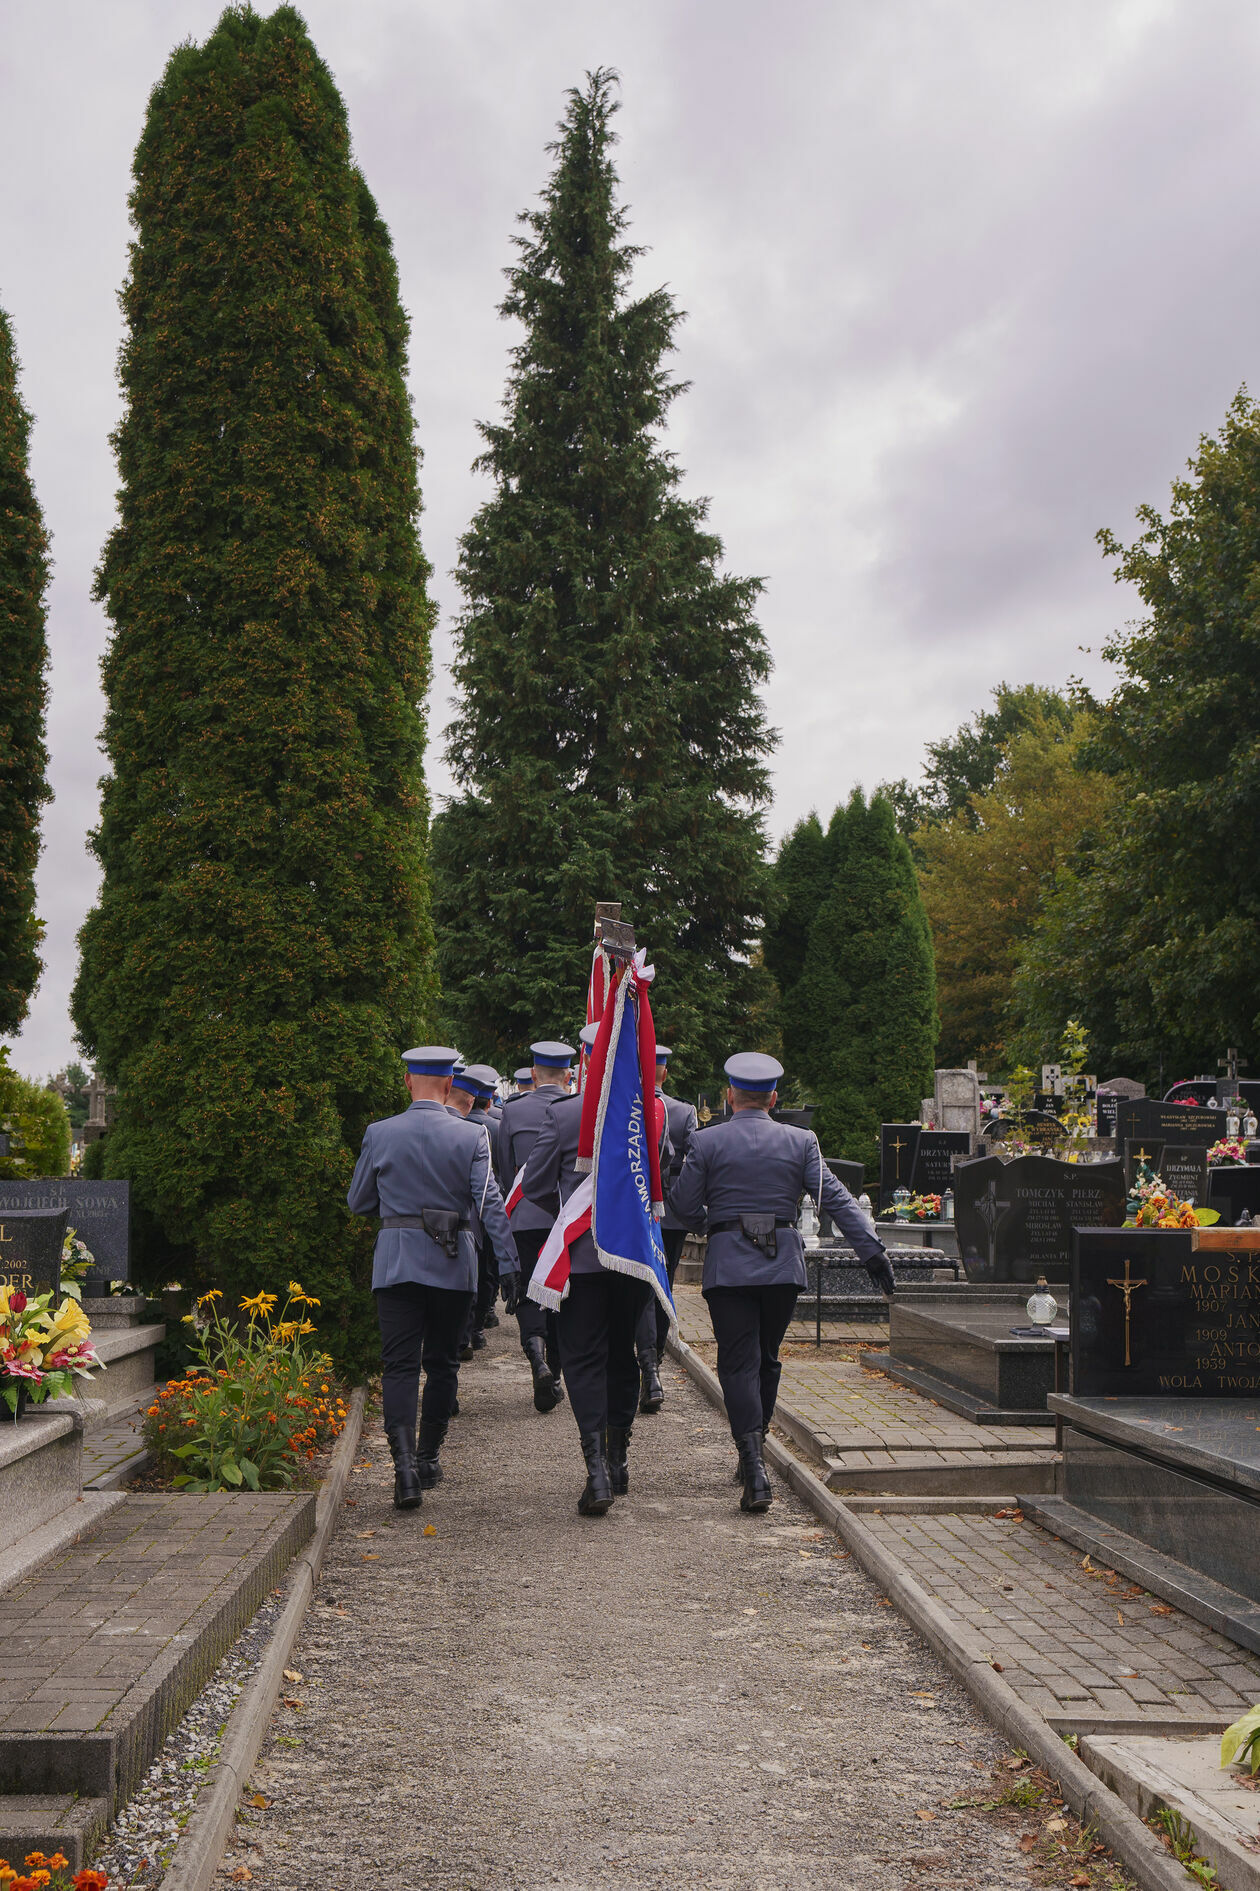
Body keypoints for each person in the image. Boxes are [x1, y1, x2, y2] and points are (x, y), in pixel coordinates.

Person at [669, 1052, 894, 1514]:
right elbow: (835, 1198)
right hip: (781, 1265)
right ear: (774, 1097)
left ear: (729, 1096)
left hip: (730, 1264)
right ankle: (755, 1447)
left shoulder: (706, 1142)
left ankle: (753, 1465)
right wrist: (872, 1252)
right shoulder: (802, 1141)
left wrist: (717, 1220)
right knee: (767, 1358)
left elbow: (684, 1208)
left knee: (736, 1362)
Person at [347, 1046, 518, 1509]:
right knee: (442, 1364)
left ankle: (402, 1470)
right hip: (452, 1266)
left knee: (399, 1366)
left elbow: (359, 1201)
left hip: (397, 1264)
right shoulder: (470, 1137)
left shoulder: (379, 1133)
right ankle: (428, 1459)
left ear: (407, 1082)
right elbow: (490, 1203)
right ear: (449, 1085)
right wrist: (508, 1263)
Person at [522, 1024, 670, 1514]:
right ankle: (619, 1456)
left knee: (584, 1359)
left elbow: (538, 1184)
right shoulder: (651, 1111)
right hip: (632, 1260)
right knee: (623, 1355)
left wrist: (568, 1214)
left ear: (587, 1060)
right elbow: (658, 1171)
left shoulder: (565, 1114)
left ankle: (596, 1473)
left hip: (583, 1260)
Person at [495, 1041, 574, 1411]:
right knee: (560, 1293)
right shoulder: (578, 1111)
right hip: (566, 1217)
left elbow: (504, 1168)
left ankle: (537, 1361)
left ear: (533, 1073)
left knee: (528, 1291)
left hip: (525, 1216)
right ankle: (554, 1372)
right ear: (569, 1076)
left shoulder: (512, 1112)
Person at [632, 1043, 696, 1413]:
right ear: (665, 1073)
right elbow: (692, 1163)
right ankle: (652, 1361)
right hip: (668, 1213)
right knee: (662, 1283)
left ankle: (645, 1362)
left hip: (634, 1210)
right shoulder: (683, 1111)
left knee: (636, 1284)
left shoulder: (627, 1105)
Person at [446, 1063, 502, 1358]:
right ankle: (476, 1328)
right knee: (485, 1270)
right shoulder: (494, 1126)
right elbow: (505, 1167)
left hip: (458, 1216)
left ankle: (465, 1333)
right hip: (485, 1208)